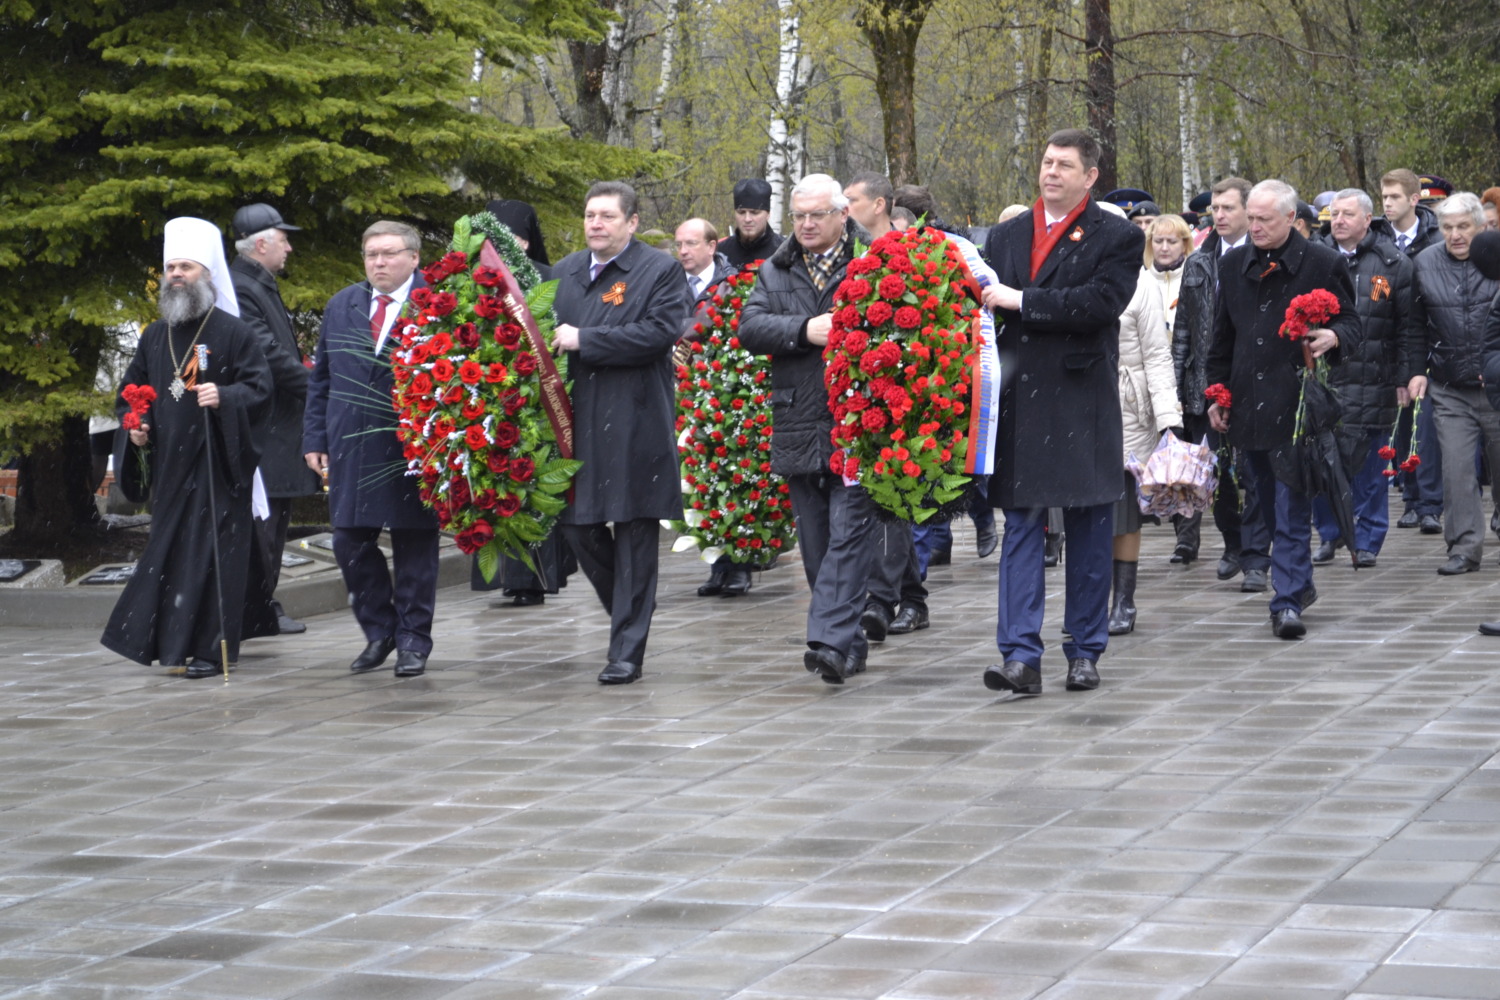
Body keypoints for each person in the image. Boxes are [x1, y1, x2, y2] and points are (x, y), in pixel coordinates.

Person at [979, 129, 1144, 696]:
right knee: (1021, 527)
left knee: (1090, 528)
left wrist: (1023, 301)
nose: (1051, 172)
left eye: (1065, 165)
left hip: (1081, 399)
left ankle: (1084, 649)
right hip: (1020, 398)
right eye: (1047, 162)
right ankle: (1020, 655)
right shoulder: (1005, 235)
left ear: (1089, 176)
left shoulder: (1116, 236)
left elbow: (1102, 302)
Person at [102, 217, 275, 678]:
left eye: (187, 267)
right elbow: (129, 391)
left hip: (218, 465)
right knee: (173, 556)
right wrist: (134, 427)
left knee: (212, 557)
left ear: (207, 274)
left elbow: (261, 391)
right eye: (172, 266)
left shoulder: (234, 333)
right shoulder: (155, 335)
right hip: (170, 469)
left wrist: (227, 397)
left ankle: (209, 648)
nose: (177, 274)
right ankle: (173, 644)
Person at [551, 181, 691, 685]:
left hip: (634, 419)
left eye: (607, 216)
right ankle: (629, 612)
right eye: (590, 215)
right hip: (575, 422)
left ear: (632, 223)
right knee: (578, 526)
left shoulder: (659, 270)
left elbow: (659, 333)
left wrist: (585, 339)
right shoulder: (564, 271)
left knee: (634, 534)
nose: (596, 224)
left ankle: (626, 651)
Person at [1206, 179, 1359, 638]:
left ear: (1291, 219)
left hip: (1296, 409)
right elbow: (1222, 339)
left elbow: (1351, 323)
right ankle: (1299, 583)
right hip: (1248, 406)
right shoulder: (1232, 265)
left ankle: (1286, 601)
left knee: (1291, 506)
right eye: (1250, 218)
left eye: (1263, 220)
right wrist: (1216, 394)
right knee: (1266, 505)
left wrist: (1335, 337)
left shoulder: (1323, 262)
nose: (1252, 226)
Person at [739, 173, 876, 684]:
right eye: (798, 216)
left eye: (817, 214)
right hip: (796, 416)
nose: (807, 225)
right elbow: (750, 327)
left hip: (858, 420)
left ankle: (826, 641)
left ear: (844, 214)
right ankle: (847, 641)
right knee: (816, 545)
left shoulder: (873, 260)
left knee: (846, 535)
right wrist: (803, 329)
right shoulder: (776, 269)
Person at [304, 220, 439, 679]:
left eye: (389, 254)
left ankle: (413, 640)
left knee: (414, 545)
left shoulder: (437, 304)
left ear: (414, 257)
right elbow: (321, 379)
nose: (378, 263)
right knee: (349, 541)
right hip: (351, 444)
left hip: (413, 443)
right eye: (371, 255)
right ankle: (379, 630)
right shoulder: (343, 305)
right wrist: (315, 439)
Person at [472, 198, 574, 606]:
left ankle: (534, 577)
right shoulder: (474, 282)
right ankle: (501, 576)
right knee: (491, 483)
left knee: (533, 486)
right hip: (489, 397)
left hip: (538, 398)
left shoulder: (550, 279)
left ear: (526, 242)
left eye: (508, 239)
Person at [1170, 176, 1271, 586]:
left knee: (1254, 474)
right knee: (1218, 476)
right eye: (1215, 208)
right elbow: (1183, 332)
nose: (1220, 215)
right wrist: (1177, 390)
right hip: (1205, 388)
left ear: (1249, 210)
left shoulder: (1263, 258)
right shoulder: (1198, 261)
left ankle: (1256, 554)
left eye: (1229, 208)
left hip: (1252, 384)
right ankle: (1232, 542)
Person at [1310, 189, 1414, 568]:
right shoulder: (1313, 259)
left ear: (1367, 219)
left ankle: (1368, 539)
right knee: (1323, 462)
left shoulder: (1392, 263)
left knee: (1371, 468)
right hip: (1326, 379)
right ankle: (1330, 533)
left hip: (1375, 378)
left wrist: (1405, 375)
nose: (1338, 220)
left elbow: (1407, 329)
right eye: (1333, 214)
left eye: (1347, 214)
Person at [228, 203, 319, 635]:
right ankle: (257, 608)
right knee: (264, 524)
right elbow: (267, 354)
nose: (290, 247)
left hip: (278, 428)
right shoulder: (242, 287)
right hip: (266, 430)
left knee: (274, 521)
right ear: (261, 243)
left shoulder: (257, 283)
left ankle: (262, 605)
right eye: (284, 239)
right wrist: (317, 387)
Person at [1405, 192, 1500, 575]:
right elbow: (1413, 326)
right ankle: (1463, 546)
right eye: (1447, 227)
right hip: (1448, 387)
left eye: (1463, 227)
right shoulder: (1424, 263)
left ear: (1481, 226)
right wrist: (1414, 371)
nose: (1456, 235)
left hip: (1495, 386)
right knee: (1457, 470)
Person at [1109, 219, 1186, 634]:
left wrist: (1168, 421)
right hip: (1077, 407)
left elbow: (1157, 357)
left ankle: (1123, 601)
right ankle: (1087, 600)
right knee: (1080, 513)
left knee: (1123, 512)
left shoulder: (1141, 285)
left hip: (1129, 409)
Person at [675, 216, 754, 599]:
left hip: (720, 393)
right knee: (696, 482)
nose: (684, 252)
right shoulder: (669, 284)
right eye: (679, 245)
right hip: (678, 391)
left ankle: (738, 564)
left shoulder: (731, 286)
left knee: (726, 473)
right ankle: (715, 563)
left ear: (712, 247)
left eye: (691, 244)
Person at [1382, 169, 1446, 530]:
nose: (1388, 204)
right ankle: (1409, 497)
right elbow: (1376, 295)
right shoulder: (1379, 239)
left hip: (1429, 343)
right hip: (1392, 346)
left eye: (1394, 197)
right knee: (1402, 425)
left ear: (1413, 199)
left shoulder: (1436, 237)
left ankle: (1430, 503)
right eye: (1384, 197)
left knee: (1428, 429)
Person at [718, 179, 782, 268]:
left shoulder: (783, 251)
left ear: (768, 214)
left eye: (755, 213)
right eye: (741, 212)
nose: (747, 219)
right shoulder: (720, 252)